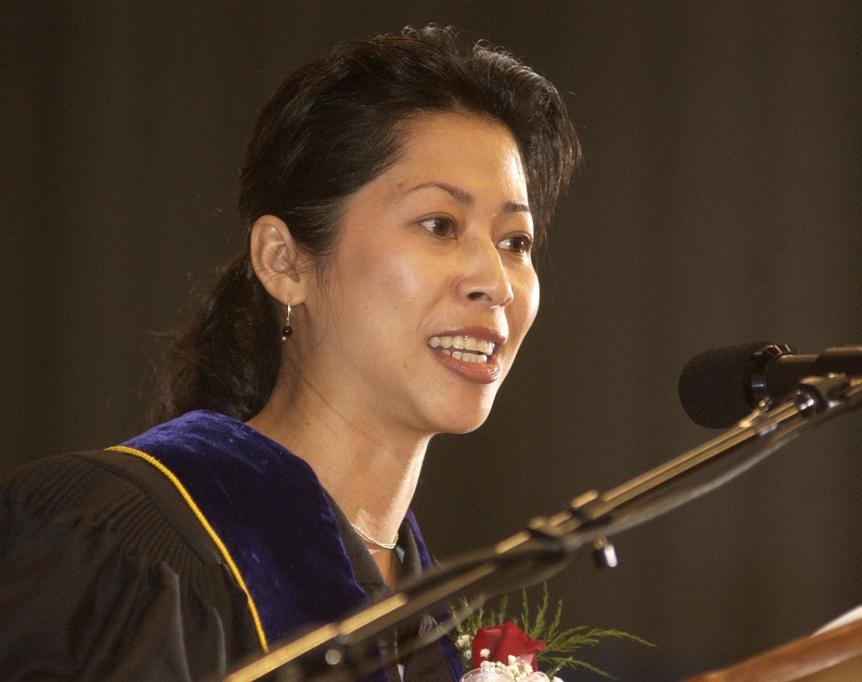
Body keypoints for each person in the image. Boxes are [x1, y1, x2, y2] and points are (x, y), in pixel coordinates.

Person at [0, 25, 579, 682]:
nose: (496, 283)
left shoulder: (423, 626)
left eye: (516, 242)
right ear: (284, 261)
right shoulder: (131, 544)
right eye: (439, 225)